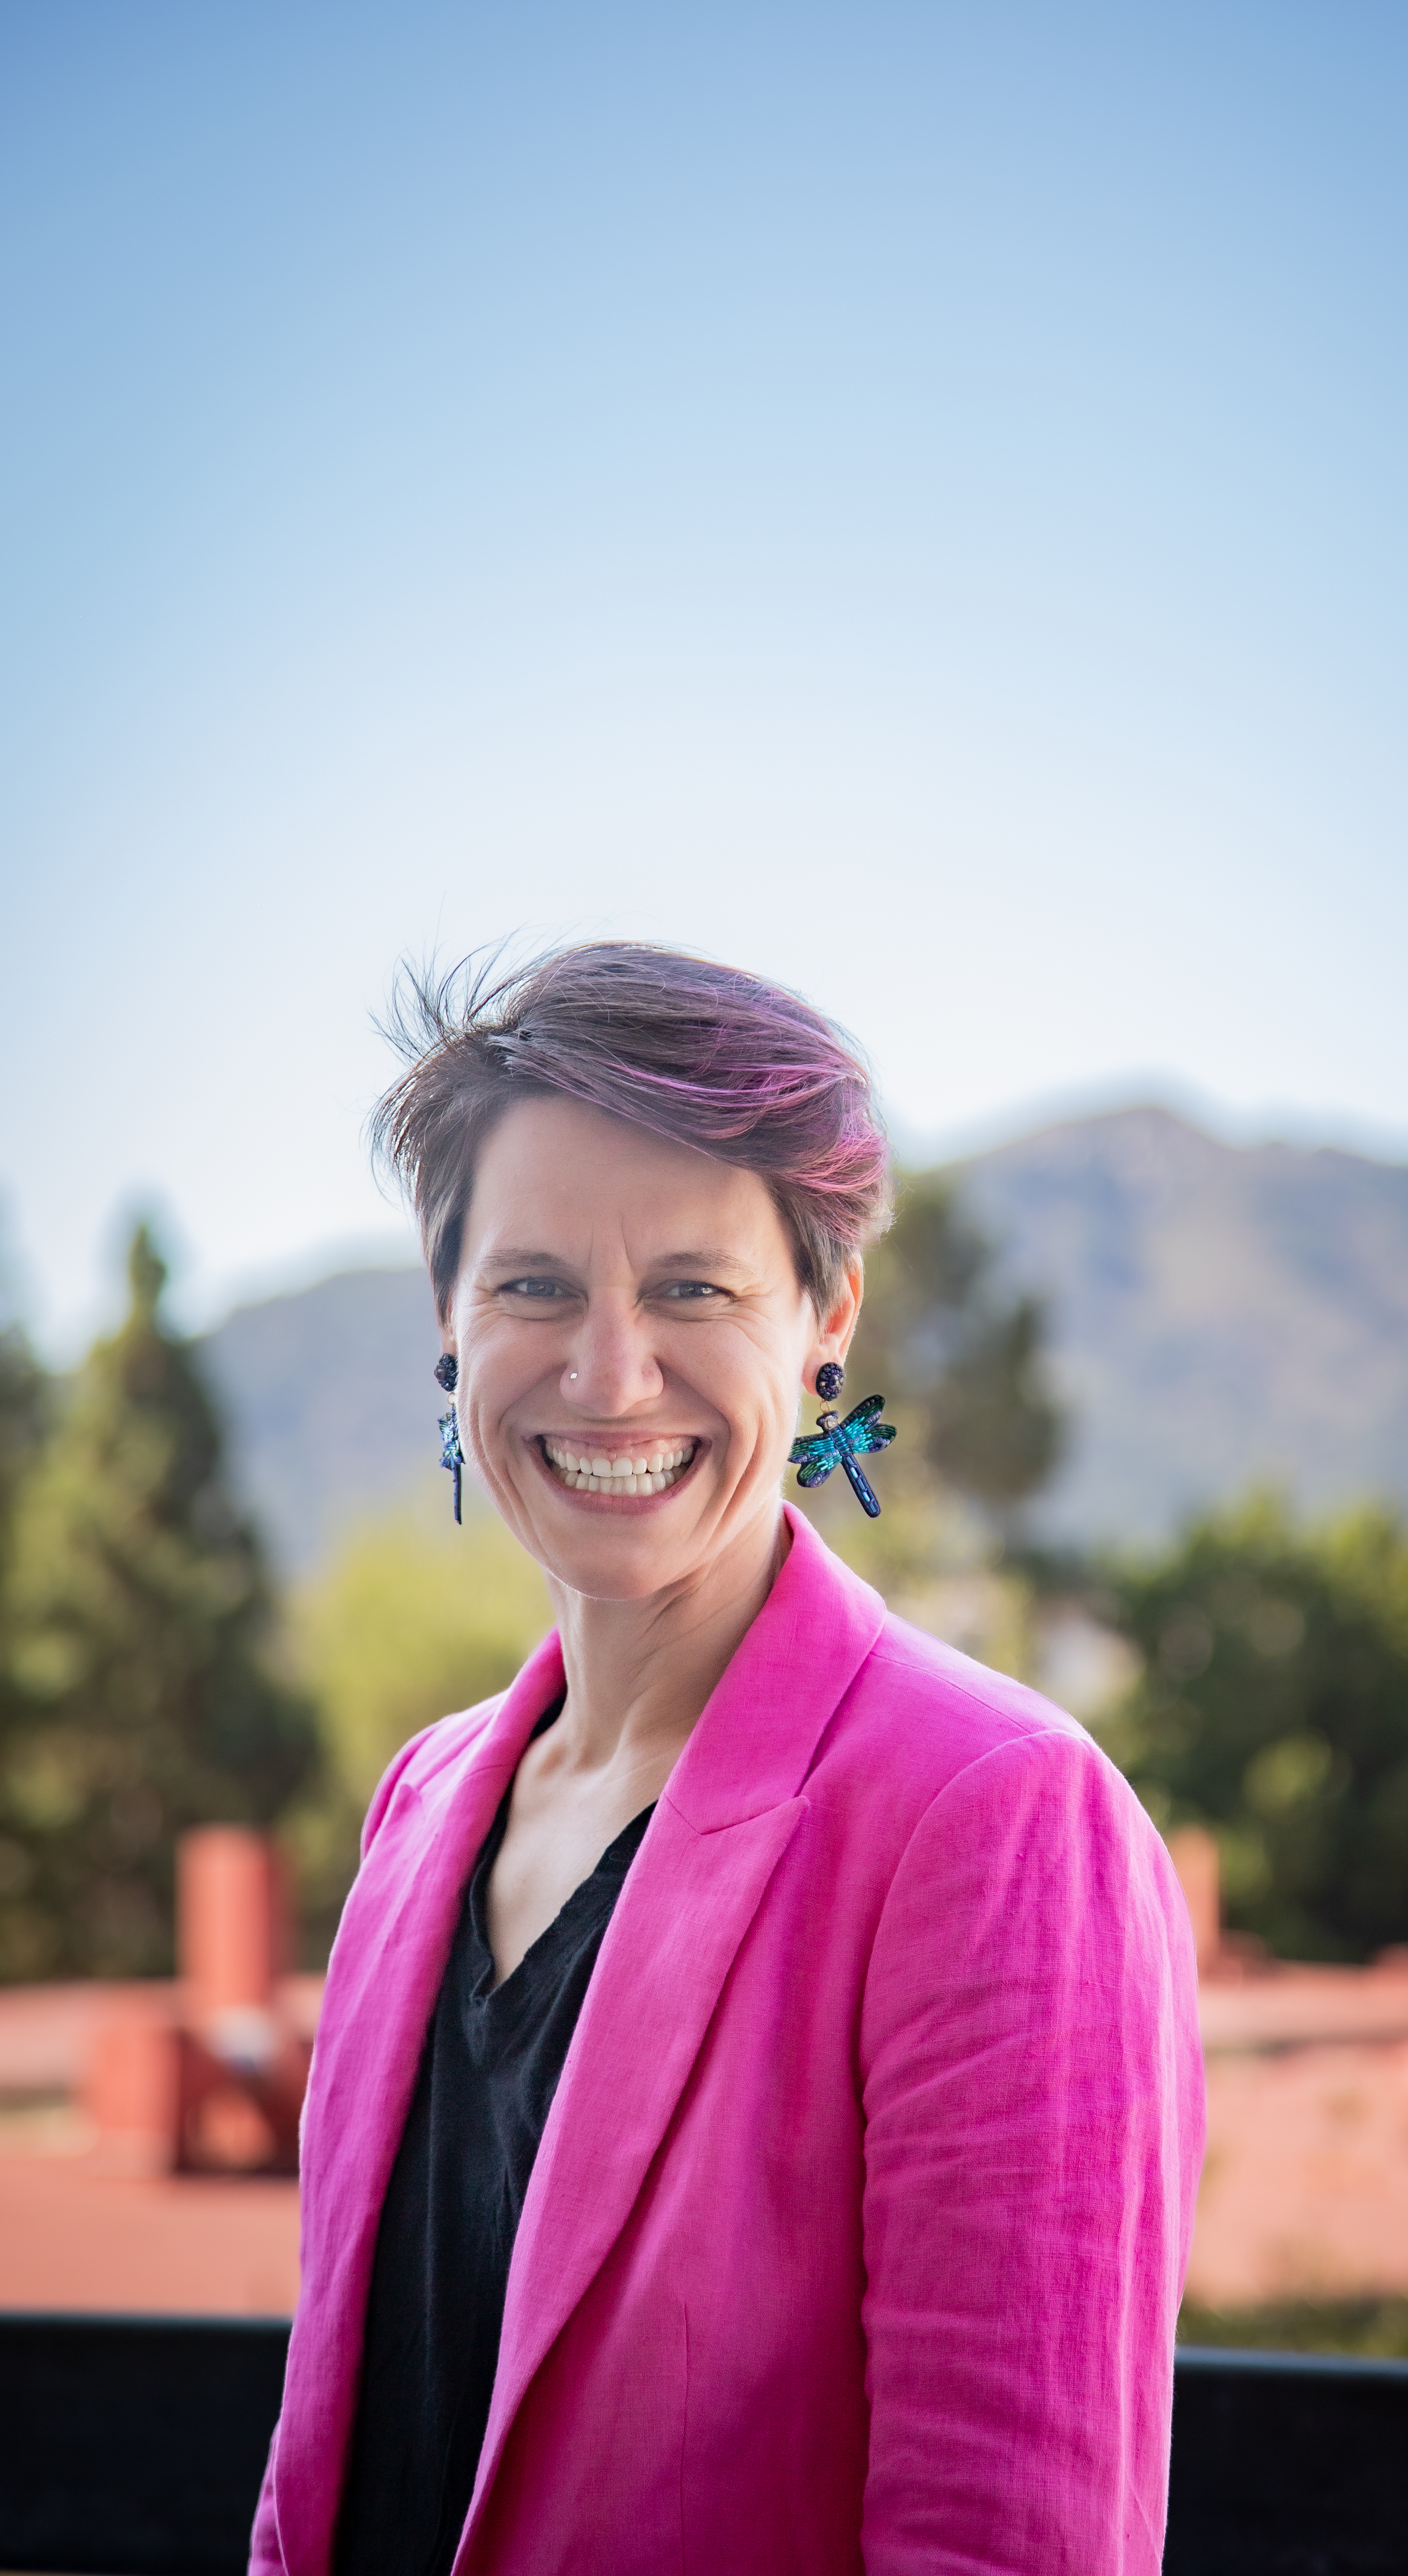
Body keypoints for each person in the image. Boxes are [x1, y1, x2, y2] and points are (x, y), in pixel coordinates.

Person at [251, 941, 1204, 2576]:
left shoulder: (997, 1818)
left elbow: (1007, 2541)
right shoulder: (419, 1808)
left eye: (695, 1288)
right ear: (449, 1317)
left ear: (827, 1320)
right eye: (534, 1284)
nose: (609, 1374)